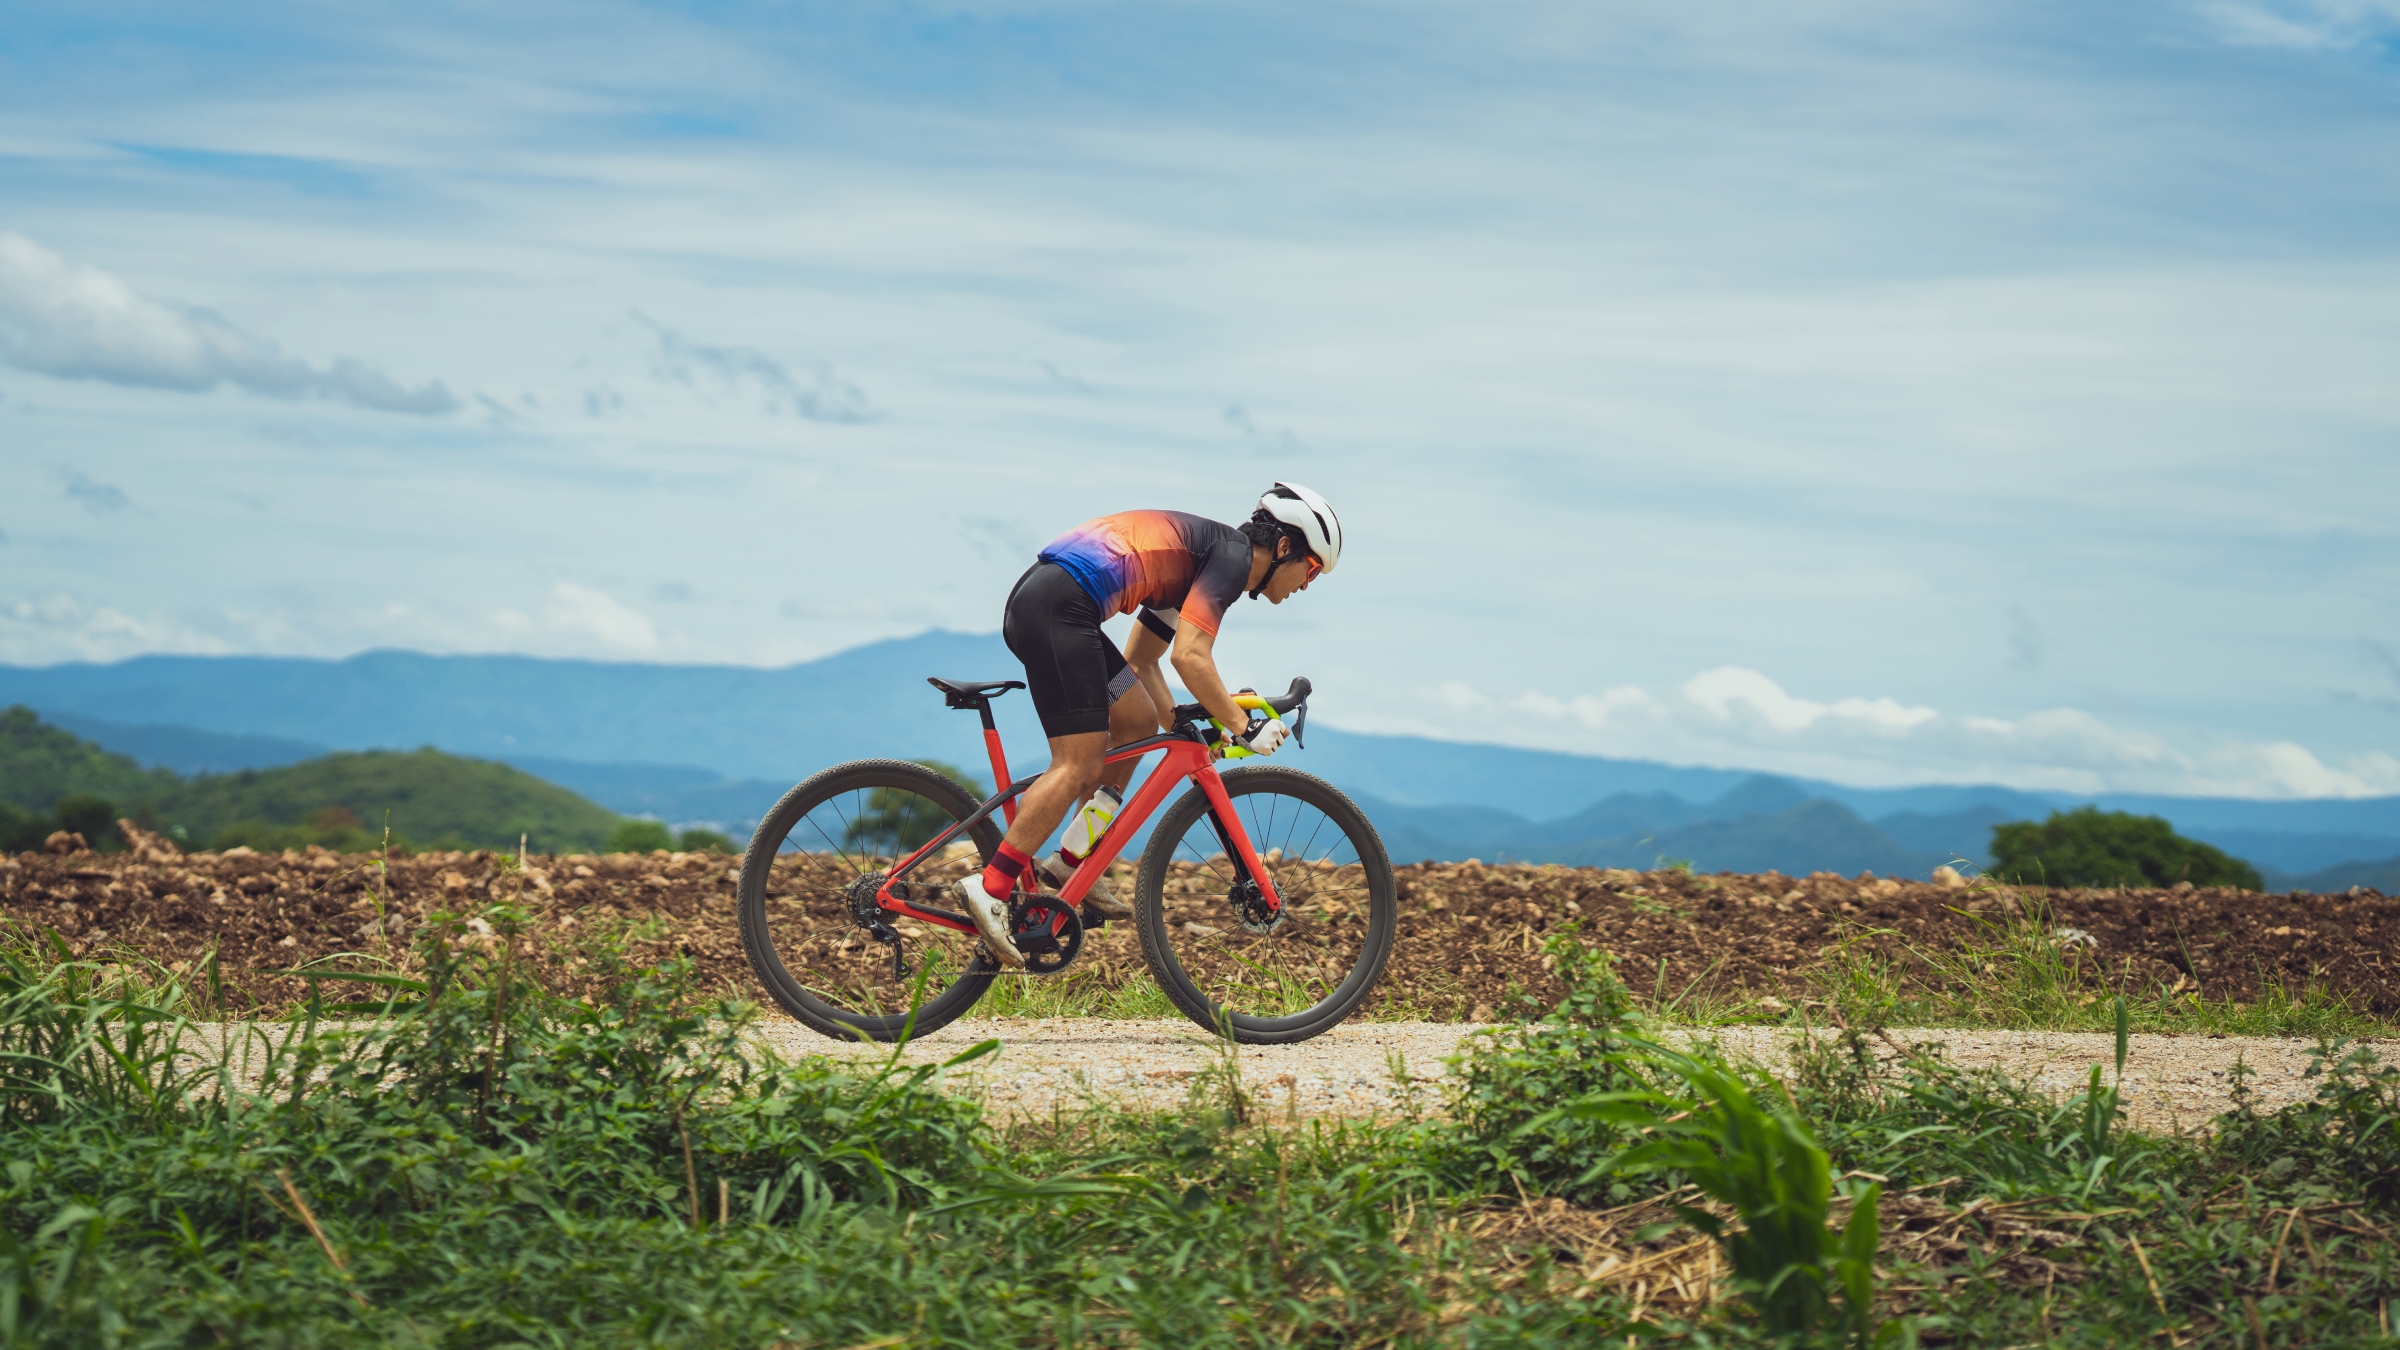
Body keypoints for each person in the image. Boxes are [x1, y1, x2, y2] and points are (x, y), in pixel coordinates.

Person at [956, 483, 1343, 968]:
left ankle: (1073, 862)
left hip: (1056, 601)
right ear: (1284, 546)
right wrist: (1243, 726)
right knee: (1078, 764)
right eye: (1310, 569)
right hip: (1059, 608)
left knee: (1137, 723)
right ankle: (991, 885)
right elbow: (1192, 657)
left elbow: (1145, 659)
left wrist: (1180, 720)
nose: (1307, 584)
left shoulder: (1206, 559)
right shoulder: (1230, 561)